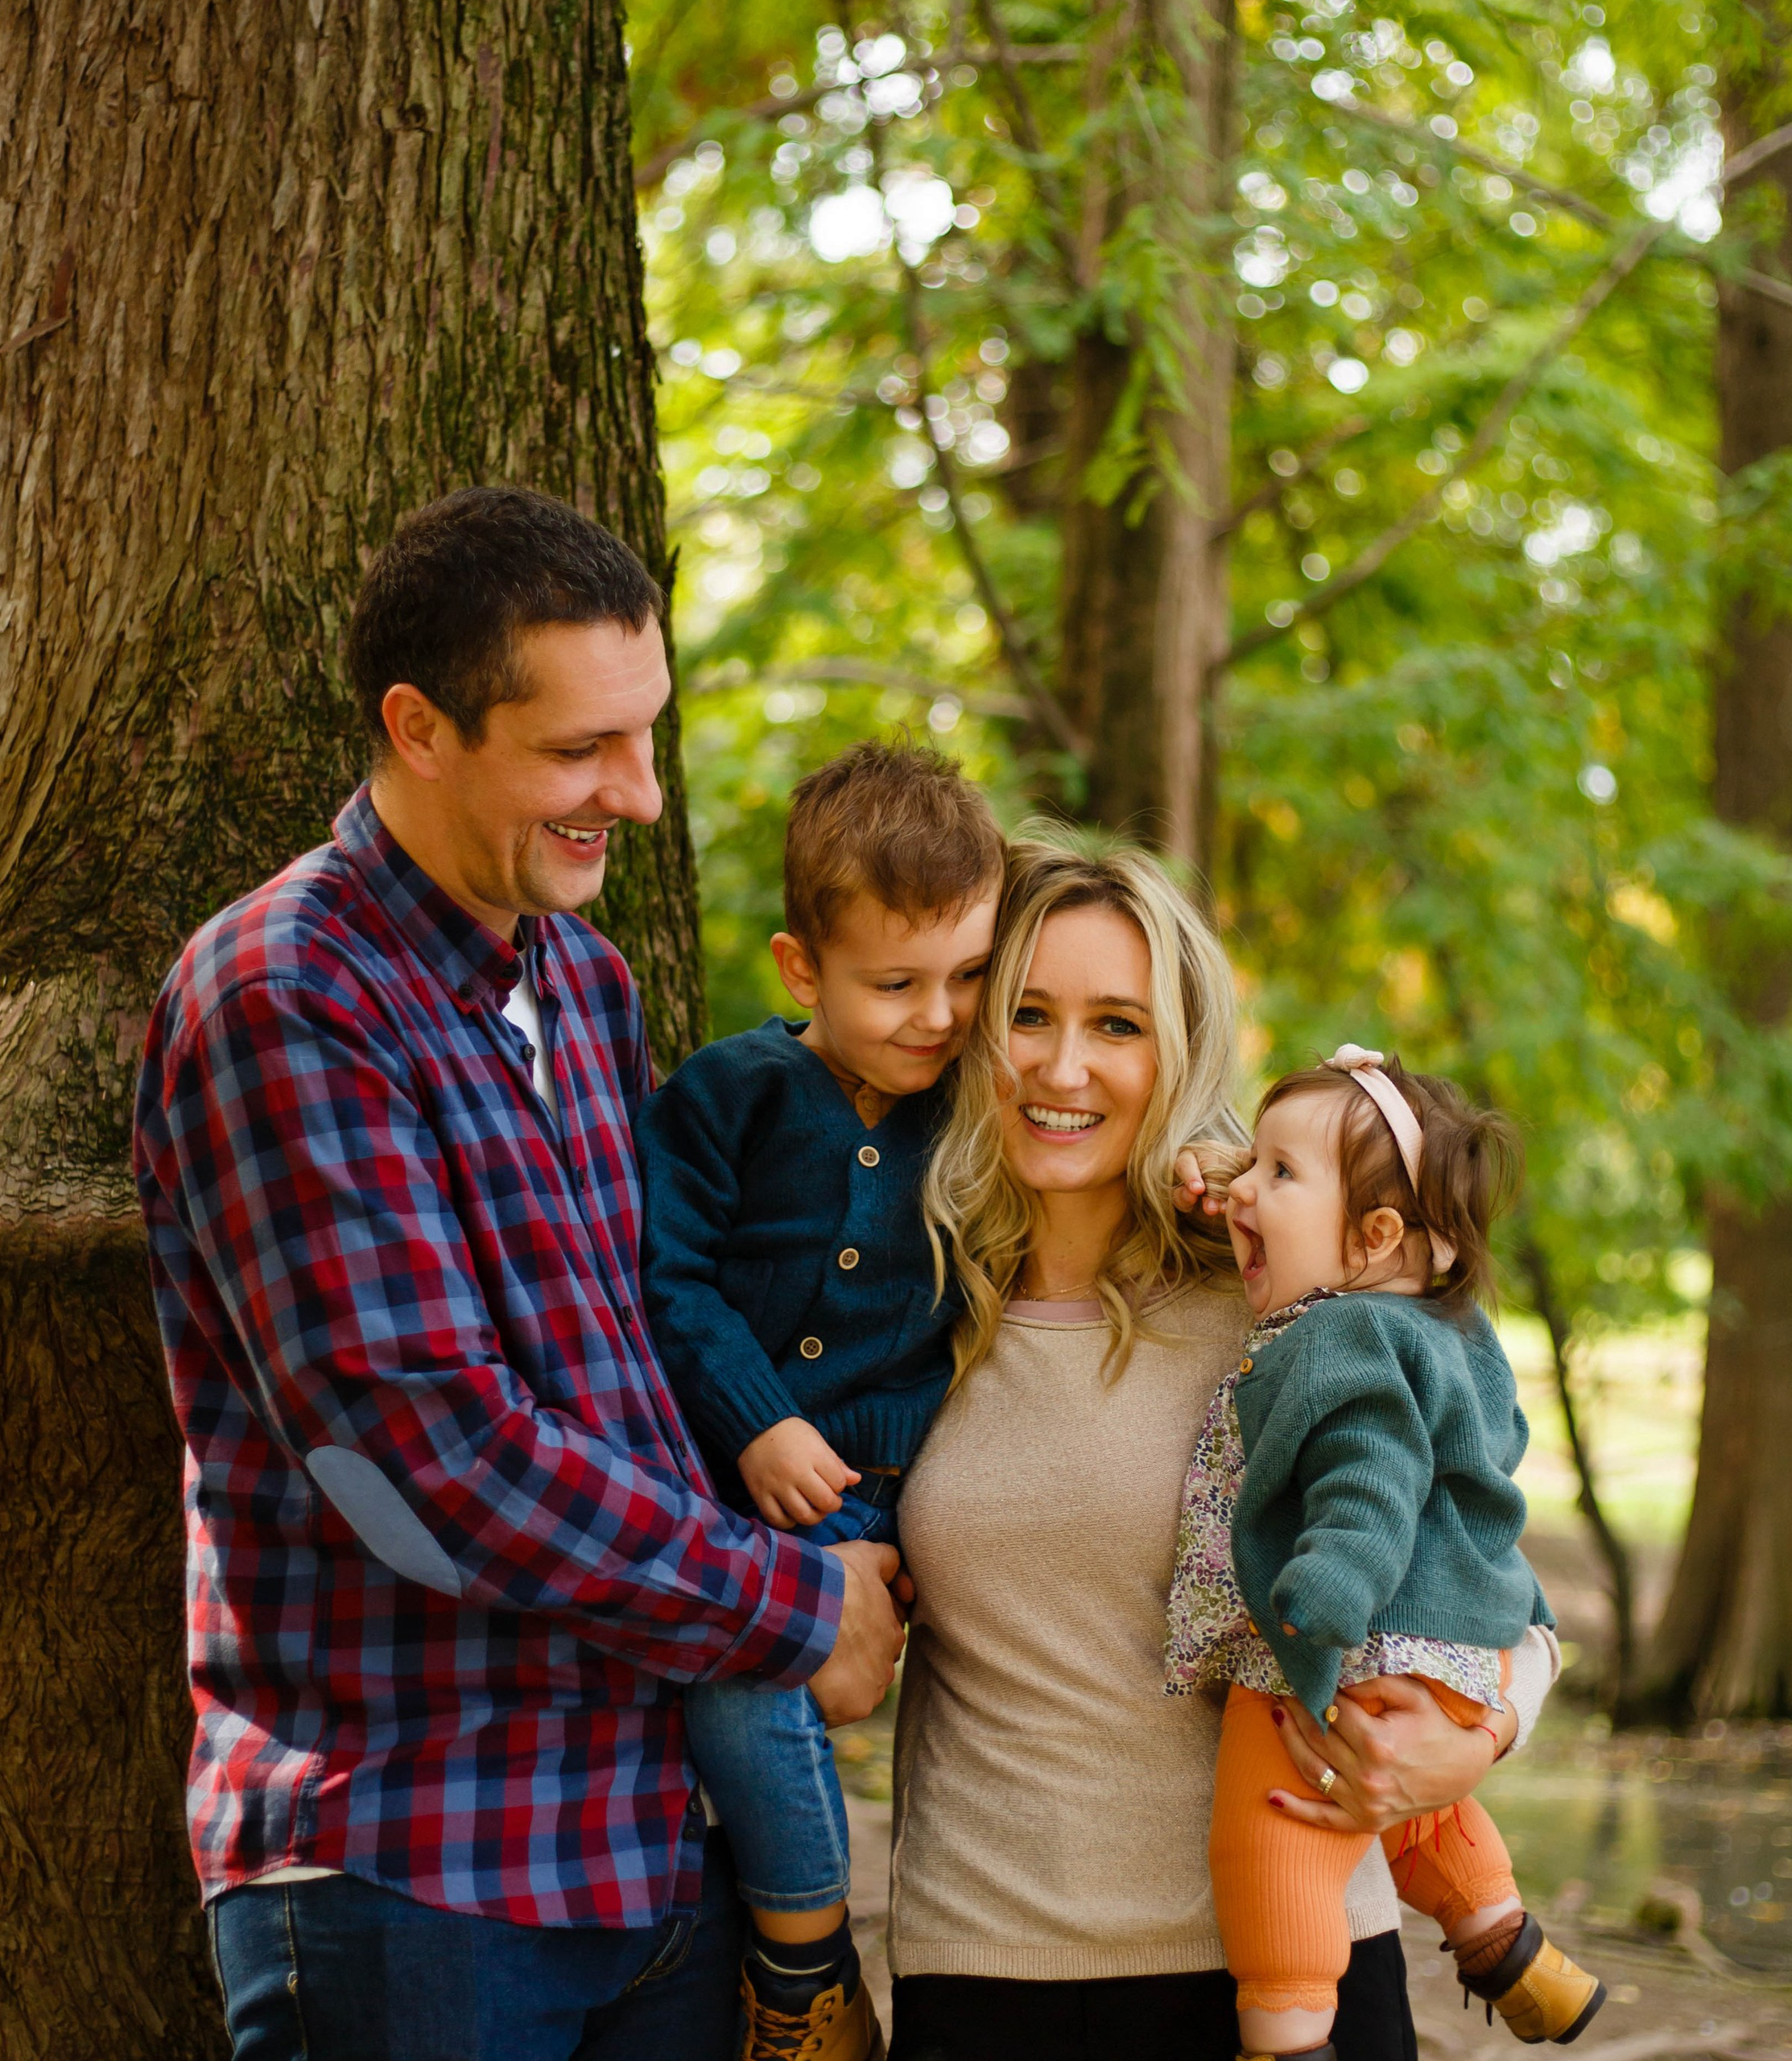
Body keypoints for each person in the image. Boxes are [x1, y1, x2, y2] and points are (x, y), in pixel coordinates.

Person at [133, 486, 909, 2061]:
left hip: (642, 1853)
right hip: (413, 1864)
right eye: (578, 752)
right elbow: (425, 1452)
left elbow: (633, 1360)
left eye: (645, 734)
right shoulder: (288, 997)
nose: (633, 792)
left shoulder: (584, 978)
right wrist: (791, 1603)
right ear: (417, 727)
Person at [886, 832, 1563, 2061]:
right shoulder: (905, 1302)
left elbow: (1499, 1582)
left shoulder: (1286, 1313)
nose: (1064, 1066)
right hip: (980, 1968)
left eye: (1119, 1026)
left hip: (1281, 1977)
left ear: (1179, 1048)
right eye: (1029, 1014)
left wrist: (1479, 1734)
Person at [635, 740, 1007, 2061]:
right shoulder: (728, 1095)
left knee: (756, 1680)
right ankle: (814, 1969)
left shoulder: (984, 1108)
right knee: (736, 1674)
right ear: (805, 970)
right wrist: (755, 1419)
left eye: (970, 977)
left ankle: (797, 1978)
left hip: (888, 1493)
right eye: (896, 983)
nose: (941, 1016)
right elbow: (663, 1276)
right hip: (742, 1478)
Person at [1164, 1046, 1606, 2061]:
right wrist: (1249, 1189)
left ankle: (1286, 2034)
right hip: (1445, 1655)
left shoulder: (1338, 1340)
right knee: (1407, 1818)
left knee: (1267, 1839)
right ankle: (1507, 1945)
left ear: (1373, 1236)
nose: (1240, 1195)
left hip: (1337, 1638)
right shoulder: (1437, 1327)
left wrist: (1329, 1582)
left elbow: (1371, 1474)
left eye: (1276, 1175)